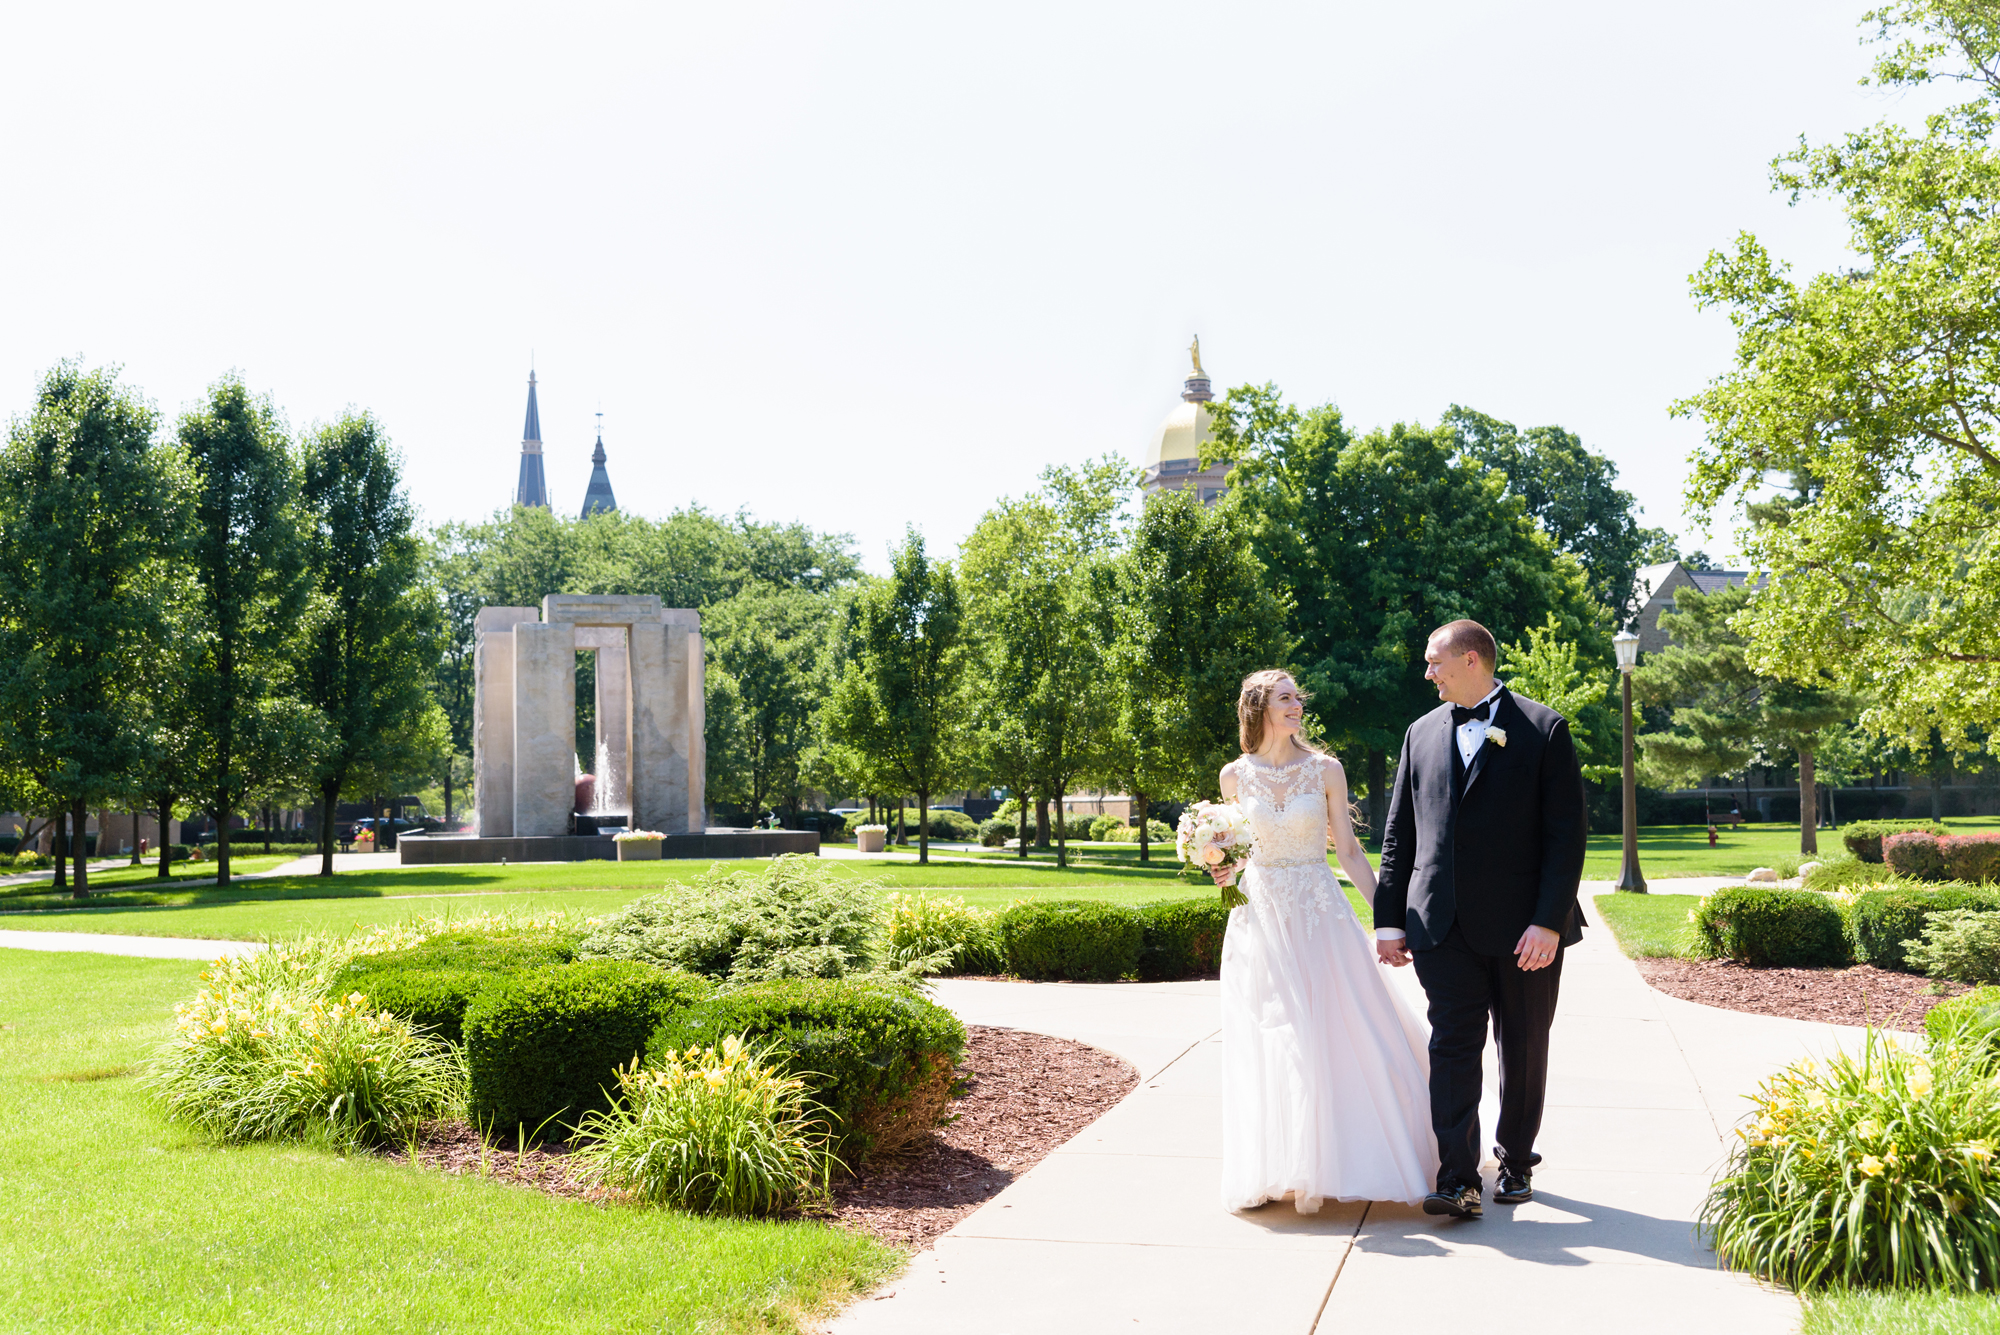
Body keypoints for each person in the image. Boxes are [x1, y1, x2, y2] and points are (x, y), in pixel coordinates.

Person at [1374, 620, 1587, 1219]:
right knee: (1453, 1046)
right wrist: (1389, 919)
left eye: (1434, 661)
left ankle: (1515, 1159)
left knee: (1522, 1045)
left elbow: (1566, 836)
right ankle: (1458, 1177)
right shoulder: (1418, 734)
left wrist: (1547, 921)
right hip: (1440, 925)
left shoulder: (1544, 729)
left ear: (1472, 660)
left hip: (1526, 932)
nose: (1427, 673)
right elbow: (1399, 836)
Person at [1215, 669, 1438, 1212]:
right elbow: (1237, 850)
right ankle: (1281, 1164)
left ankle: (1360, 1157)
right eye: (1285, 698)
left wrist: (1390, 917)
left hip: (1319, 911)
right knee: (1274, 1034)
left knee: (1342, 1027)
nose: (1297, 706)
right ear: (1259, 708)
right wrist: (1220, 868)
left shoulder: (1325, 770)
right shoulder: (1234, 776)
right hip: (1261, 914)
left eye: (1298, 698)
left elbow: (1350, 852)